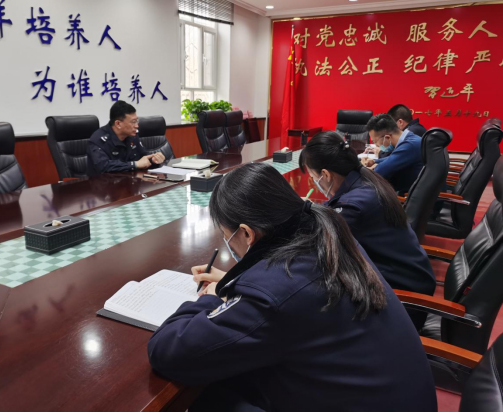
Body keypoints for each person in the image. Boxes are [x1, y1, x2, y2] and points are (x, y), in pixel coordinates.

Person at [148, 163, 437, 412]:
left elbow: (169, 353)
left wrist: (212, 297)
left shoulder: (274, 294)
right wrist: (235, 284)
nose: (229, 244)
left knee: (212, 395)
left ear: (246, 233)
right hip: (391, 395)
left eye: (227, 236)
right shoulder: (327, 232)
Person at [299, 131, 435, 329]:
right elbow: (334, 211)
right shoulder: (365, 180)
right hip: (406, 280)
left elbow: (313, 238)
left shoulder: (355, 205)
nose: (314, 182)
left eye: (313, 177)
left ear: (326, 175)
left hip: (400, 301)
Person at [86, 100, 165, 176]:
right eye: (133, 122)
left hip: (129, 181)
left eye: (137, 121)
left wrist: (153, 159)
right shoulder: (98, 140)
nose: (137, 126)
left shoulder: (132, 136)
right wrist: (134, 164)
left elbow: (143, 156)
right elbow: (104, 166)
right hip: (104, 183)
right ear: (118, 124)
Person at [363, 113, 423, 195]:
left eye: (375, 141)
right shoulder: (410, 138)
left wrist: (362, 169)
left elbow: (379, 171)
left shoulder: (409, 145)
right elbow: (393, 157)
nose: (376, 145)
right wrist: (374, 161)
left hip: (410, 197)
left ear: (387, 137)